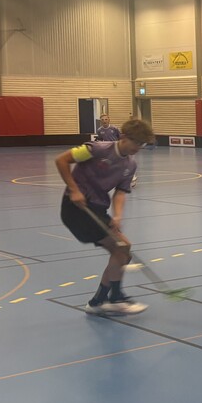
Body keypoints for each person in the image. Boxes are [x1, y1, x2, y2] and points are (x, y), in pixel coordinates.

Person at [54, 118, 156, 315]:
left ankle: (100, 301)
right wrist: (74, 189)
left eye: (142, 144)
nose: (138, 147)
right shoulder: (96, 149)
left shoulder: (130, 165)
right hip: (77, 209)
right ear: (124, 137)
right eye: (136, 142)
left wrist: (117, 216)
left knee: (124, 251)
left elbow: (120, 192)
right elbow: (61, 160)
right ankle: (112, 299)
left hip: (98, 209)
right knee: (121, 249)